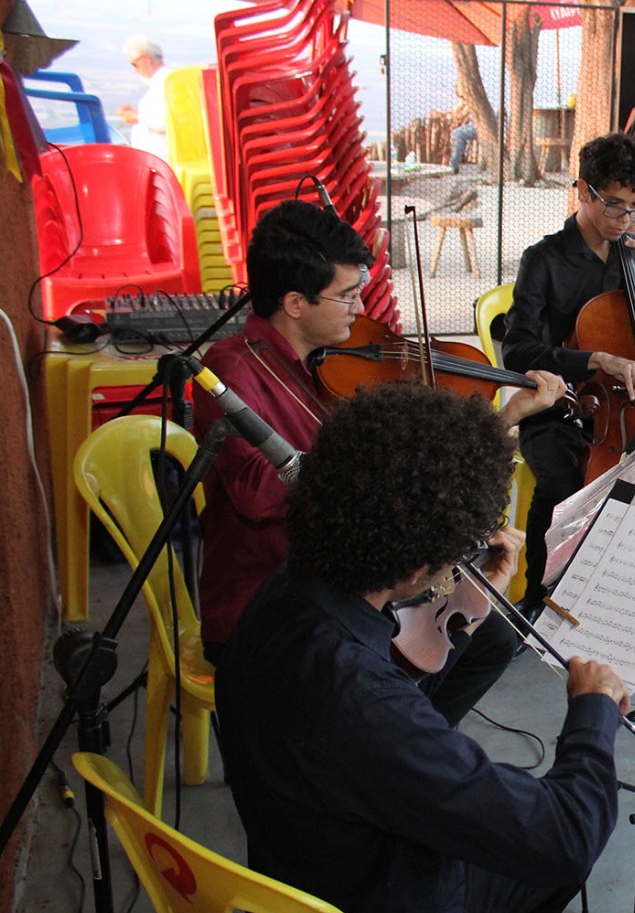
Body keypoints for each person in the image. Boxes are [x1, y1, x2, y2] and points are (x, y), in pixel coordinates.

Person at [217, 381, 635, 913]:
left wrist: (466, 606)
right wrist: (593, 712)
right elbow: (566, 833)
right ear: (417, 566)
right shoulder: (360, 704)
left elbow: (391, 723)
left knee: (538, 841)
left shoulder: (289, 596)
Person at [192, 200, 566, 723]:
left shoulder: (332, 362)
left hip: (352, 577)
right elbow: (257, 493)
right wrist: (372, 464)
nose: (357, 306)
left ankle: (407, 753)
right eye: (346, 295)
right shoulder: (231, 371)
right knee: (423, 662)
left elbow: (417, 463)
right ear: (295, 302)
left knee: (493, 636)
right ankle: (381, 751)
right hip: (273, 598)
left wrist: (506, 416)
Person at [495, 132, 635, 607]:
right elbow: (516, 350)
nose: (625, 219)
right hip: (563, 408)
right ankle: (540, 597)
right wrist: (594, 359)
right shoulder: (543, 260)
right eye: (615, 205)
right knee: (562, 483)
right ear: (583, 191)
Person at [117, 36, 169, 161]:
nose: (135, 71)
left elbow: (163, 121)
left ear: (146, 59)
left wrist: (136, 118)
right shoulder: (163, 81)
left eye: (134, 64)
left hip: (163, 161)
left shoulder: (164, 82)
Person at [449, 84, 477, 173]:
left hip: (479, 127)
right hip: (474, 124)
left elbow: (460, 115)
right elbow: (455, 110)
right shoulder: (465, 100)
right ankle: (459, 158)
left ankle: (454, 164)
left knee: (459, 134)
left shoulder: (472, 99)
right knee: (455, 132)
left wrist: (451, 115)